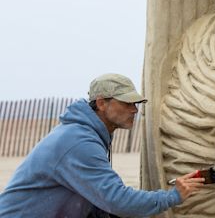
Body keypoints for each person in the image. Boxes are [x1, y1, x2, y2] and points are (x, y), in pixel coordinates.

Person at [0, 73, 204, 218]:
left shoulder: (86, 135)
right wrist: (173, 196)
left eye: (135, 104)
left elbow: (99, 200)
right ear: (101, 103)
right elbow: (118, 201)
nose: (134, 110)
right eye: (126, 103)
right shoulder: (79, 143)